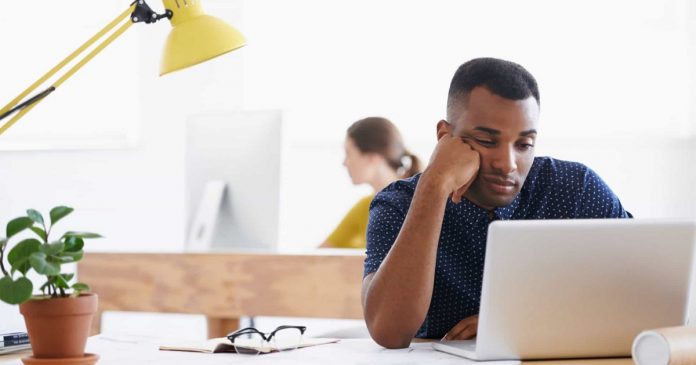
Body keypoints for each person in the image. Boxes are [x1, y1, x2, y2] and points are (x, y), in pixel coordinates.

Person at [361, 58, 632, 348]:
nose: (508, 164)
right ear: (445, 137)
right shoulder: (397, 205)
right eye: (487, 141)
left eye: (524, 144)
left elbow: (642, 292)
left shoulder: (576, 190)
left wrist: (521, 322)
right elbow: (389, 332)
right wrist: (435, 184)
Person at [321, 117, 422, 248]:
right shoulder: (364, 206)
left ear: (372, 157)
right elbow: (316, 256)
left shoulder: (417, 204)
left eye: (348, 153)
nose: (344, 163)